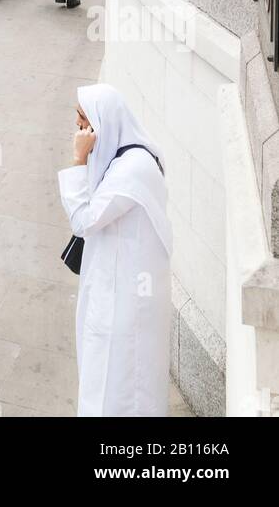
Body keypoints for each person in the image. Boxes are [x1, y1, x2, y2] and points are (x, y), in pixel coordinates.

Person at [58, 85, 172, 417]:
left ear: (101, 122)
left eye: (84, 121)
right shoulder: (126, 156)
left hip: (124, 303)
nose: (80, 131)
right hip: (116, 289)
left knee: (119, 387)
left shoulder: (133, 170)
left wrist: (78, 159)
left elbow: (84, 220)